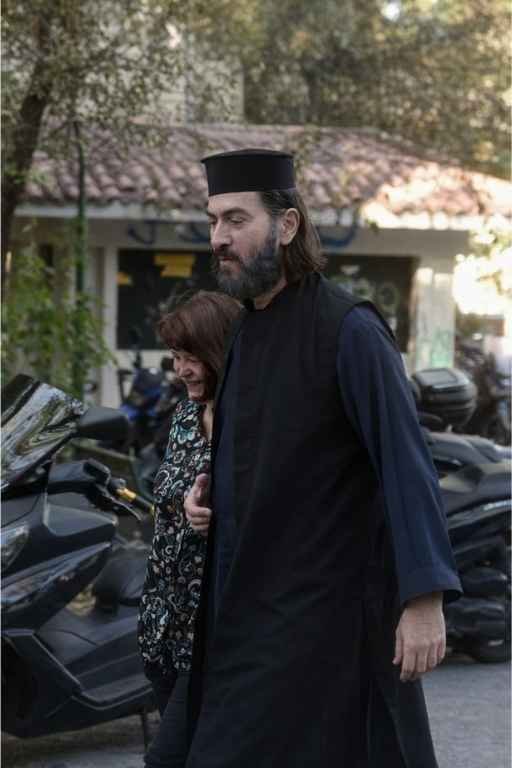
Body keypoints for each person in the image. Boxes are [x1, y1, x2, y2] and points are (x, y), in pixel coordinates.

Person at [183, 149, 462, 768]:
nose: (218, 238)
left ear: (286, 226)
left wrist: (424, 601)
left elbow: (405, 463)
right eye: (213, 221)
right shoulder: (245, 331)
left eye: (236, 220)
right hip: (244, 612)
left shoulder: (349, 329)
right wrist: (210, 495)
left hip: (326, 624)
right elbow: (270, 453)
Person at [137, 290, 241, 768]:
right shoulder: (183, 416)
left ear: (220, 351)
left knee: (165, 760)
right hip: (164, 622)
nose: (182, 370)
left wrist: (214, 513)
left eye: (192, 357)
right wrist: (183, 503)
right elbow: (171, 492)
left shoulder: (250, 424)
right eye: (176, 357)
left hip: (214, 632)